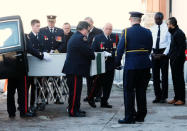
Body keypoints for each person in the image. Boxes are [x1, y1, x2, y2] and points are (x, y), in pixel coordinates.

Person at [116, 12, 152, 124]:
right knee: (141, 90)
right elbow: (150, 48)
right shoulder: (148, 31)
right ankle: (141, 116)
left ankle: (130, 117)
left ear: (131, 19)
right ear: (140, 20)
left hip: (131, 66)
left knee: (129, 91)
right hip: (145, 65)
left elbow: (120, 49)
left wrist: (117, 63)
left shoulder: (126, 31)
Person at [7, 25, 50, 118]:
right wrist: (41, 55)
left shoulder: (8, 39)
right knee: (23, 91)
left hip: (10, 70)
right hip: (21, 69)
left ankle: (11, 112)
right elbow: (30, 49)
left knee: (11, 92)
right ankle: (24, 111)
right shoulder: (24, 36)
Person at [62, 21, 95, 117]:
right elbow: (90, 54)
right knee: (75, 92)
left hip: (75, 70)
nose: (87, 32)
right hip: (74, 70)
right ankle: (73, 111)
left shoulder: (76, 37)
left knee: (76, 91)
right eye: (87, 30)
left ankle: (76, 108)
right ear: (84, 29)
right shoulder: (79, 39)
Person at [91, 23, 119, 108]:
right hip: (101, 64)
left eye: (110, 29)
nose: (108, 30)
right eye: (107, 28)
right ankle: (91, 98)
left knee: (108, 84)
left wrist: (111, 54)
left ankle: (104, 101)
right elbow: (93, 50)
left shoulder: (115, 37)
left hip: (110, 64)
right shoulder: (98, 38)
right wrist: (102, 54)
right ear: (103, 29)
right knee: (98, 84)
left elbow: (118, 49)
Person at [40, 15, 65, 104]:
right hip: (46, 58)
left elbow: (62, 43)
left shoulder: (60, 31)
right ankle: (44, 98)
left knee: (57, 79)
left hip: (55, 58)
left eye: (53, 22)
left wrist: (57, 51)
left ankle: (57, 97)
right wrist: (45, 52)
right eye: (50, 21)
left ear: (55, 22)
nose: (51, 23)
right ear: (47, 21)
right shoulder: (42, 30)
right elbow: (40, 42)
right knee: (45, 79)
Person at [27, 19, 50, 113]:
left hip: (40, 64)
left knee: (40, 84)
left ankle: (40, 101)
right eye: (37, 26)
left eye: (39, 26)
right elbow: (30, 49)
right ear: (32, 26)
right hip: (33, 64)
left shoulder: (41, 36)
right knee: (32, 85)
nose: (38, 28)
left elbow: (44, 47)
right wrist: (41, 55)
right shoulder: (28, 36)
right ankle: (32, 103)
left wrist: (44, 53)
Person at [151, 12, 171, 103]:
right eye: (155, 19)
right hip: (154, 52)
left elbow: (170, 42)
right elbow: (150, 42)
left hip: (163, 53)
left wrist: (164, 54)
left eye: (158, 19)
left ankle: (164, 97)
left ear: (162, 19)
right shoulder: (152, 28)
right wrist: (152, 53)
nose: (156, 20)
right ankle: (157, 96)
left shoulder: (167, 28)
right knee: (155, 76)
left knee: (164, 76)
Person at [83, 17, 103, 104]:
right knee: (89, 78)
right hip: (87, 58)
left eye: (88, 23)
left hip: (96, 57)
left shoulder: (98, 31)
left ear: (92, 23)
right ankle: (89, 95)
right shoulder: (84, 32)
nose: (87, 25)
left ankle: (98, 96)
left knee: (97, 78)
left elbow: (101, 44)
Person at [167, 17, 186, 105]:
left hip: (177, 61)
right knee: (175, 79)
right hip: (173, 60)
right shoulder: (173, 33)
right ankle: (176, 97)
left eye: (168, 24)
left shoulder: (179, 33)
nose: (167, 25)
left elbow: (181, 49)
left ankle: (181, 99)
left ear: (171, 24)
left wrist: (175, 59)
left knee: (179, 79)